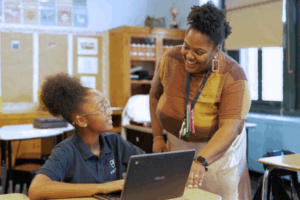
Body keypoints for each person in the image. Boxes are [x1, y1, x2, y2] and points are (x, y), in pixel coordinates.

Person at [150, 3, 251, 200]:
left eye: (199, 52)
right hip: (176, 145)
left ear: (216, 50)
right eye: (186, 47)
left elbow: (229, 128)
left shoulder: (234, 76)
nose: (188, 56)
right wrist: (157, 137)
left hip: (216, 153)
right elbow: (154, 95)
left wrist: (202, 160)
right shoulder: (170, 59)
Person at [28, 73, 145, 200]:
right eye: (102, 107)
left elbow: (148, 163)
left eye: (107, 105)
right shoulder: (66, 150)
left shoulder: (114, 142)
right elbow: (36, 189)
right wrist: (102, 187)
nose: (109, 112)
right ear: (82, 121)